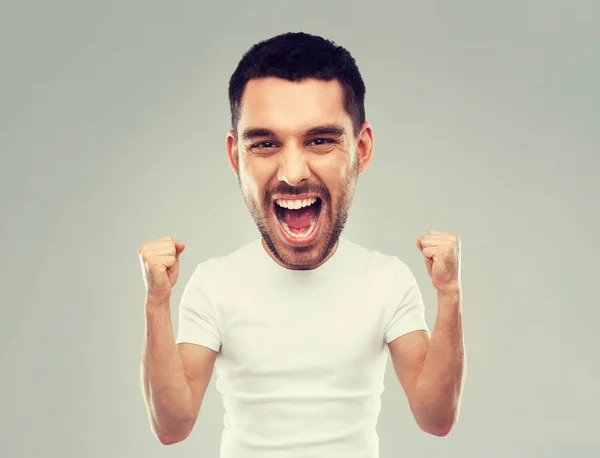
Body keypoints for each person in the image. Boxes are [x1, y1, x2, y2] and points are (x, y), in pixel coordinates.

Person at [138, 32, 465, 457]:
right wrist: (156, 302)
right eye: (266, 143)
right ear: (237, 157)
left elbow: (435, 417)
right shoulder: (214, 284)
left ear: (360, 149)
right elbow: (172, 426)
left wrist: (450, 293)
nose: (293, 172)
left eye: (320, 140)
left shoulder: (387, 281)